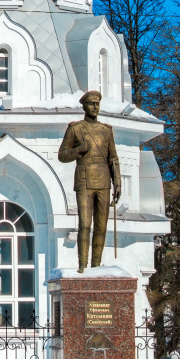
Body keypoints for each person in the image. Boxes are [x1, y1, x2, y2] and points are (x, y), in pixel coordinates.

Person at [57, 90, 121, 273]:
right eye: (92, 104)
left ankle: (96, 264)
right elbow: (62, 155)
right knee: (85, 225)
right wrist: (78, 150)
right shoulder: (75, 129)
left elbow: (113, 159)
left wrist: (117, 182)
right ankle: (83, 264)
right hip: (84, 180)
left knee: (101, 226)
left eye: (97, 104)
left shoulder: (106, 131)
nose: (95, 107)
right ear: (84, 106)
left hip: (103, 181)